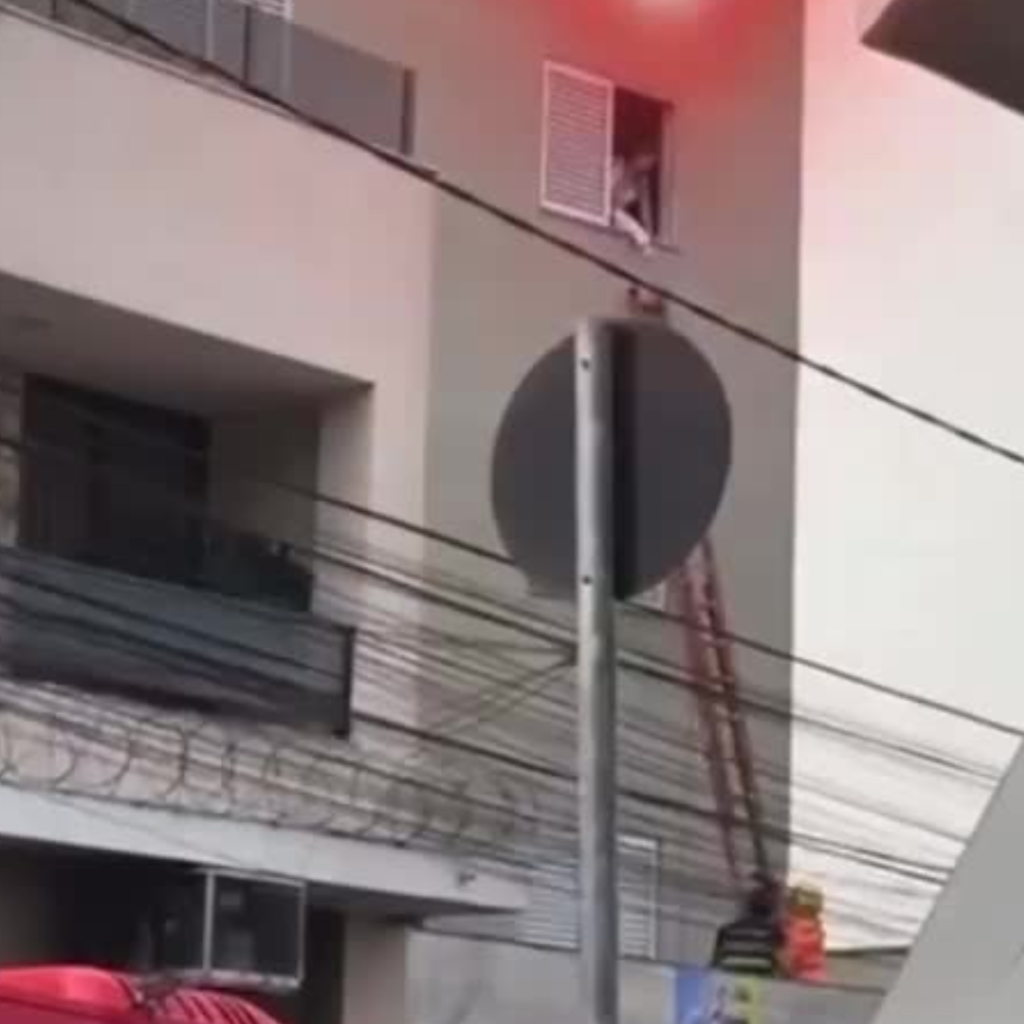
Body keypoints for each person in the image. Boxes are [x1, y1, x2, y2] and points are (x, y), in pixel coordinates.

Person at [711, 878, 784, 978]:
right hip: (760, 984)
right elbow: (781, 969)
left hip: (727, 982)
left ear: (749, 907)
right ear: (770, 911)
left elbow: (714, 963)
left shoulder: (726, 930)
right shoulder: (774, 933)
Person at [611, 150, 658, 254]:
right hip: (604, 211)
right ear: (636, 155)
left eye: (652, 162)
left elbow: (646, 214)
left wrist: (648, 232)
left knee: (634, 228)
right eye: (646, 157)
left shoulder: (641, 182)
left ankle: (643, 243)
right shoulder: (618, 165)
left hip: (617, 218)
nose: (648, 164)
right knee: (633, 228)